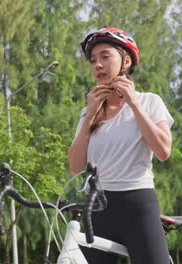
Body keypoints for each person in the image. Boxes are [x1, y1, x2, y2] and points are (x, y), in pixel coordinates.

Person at [68, 27, 174, 263]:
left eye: (105, 56)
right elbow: (75, 166)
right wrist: (89, 116)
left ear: (126, 61)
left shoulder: (150, 101)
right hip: (96, 208)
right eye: (93, 60)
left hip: (137, 204)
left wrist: (134, 103)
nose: (97, 65)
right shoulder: (88, 112)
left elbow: (163, 151)